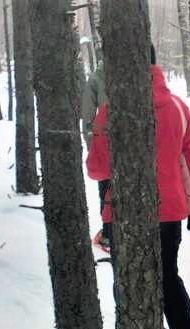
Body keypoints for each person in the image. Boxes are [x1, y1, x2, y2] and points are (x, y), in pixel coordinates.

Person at [87, 50, 190, 329]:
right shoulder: (179, 109)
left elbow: (98, 169)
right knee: (167, 275)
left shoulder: (110, 110)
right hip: (169, 210)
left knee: (126, 279)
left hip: (123, 211)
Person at [81, 60, 110, 243]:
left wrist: (92, 146)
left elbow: (88, 118)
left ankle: (108, 232)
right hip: (124, 145)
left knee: (106, 189)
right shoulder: (95, 79)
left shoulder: (96, 79)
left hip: (104, 145)